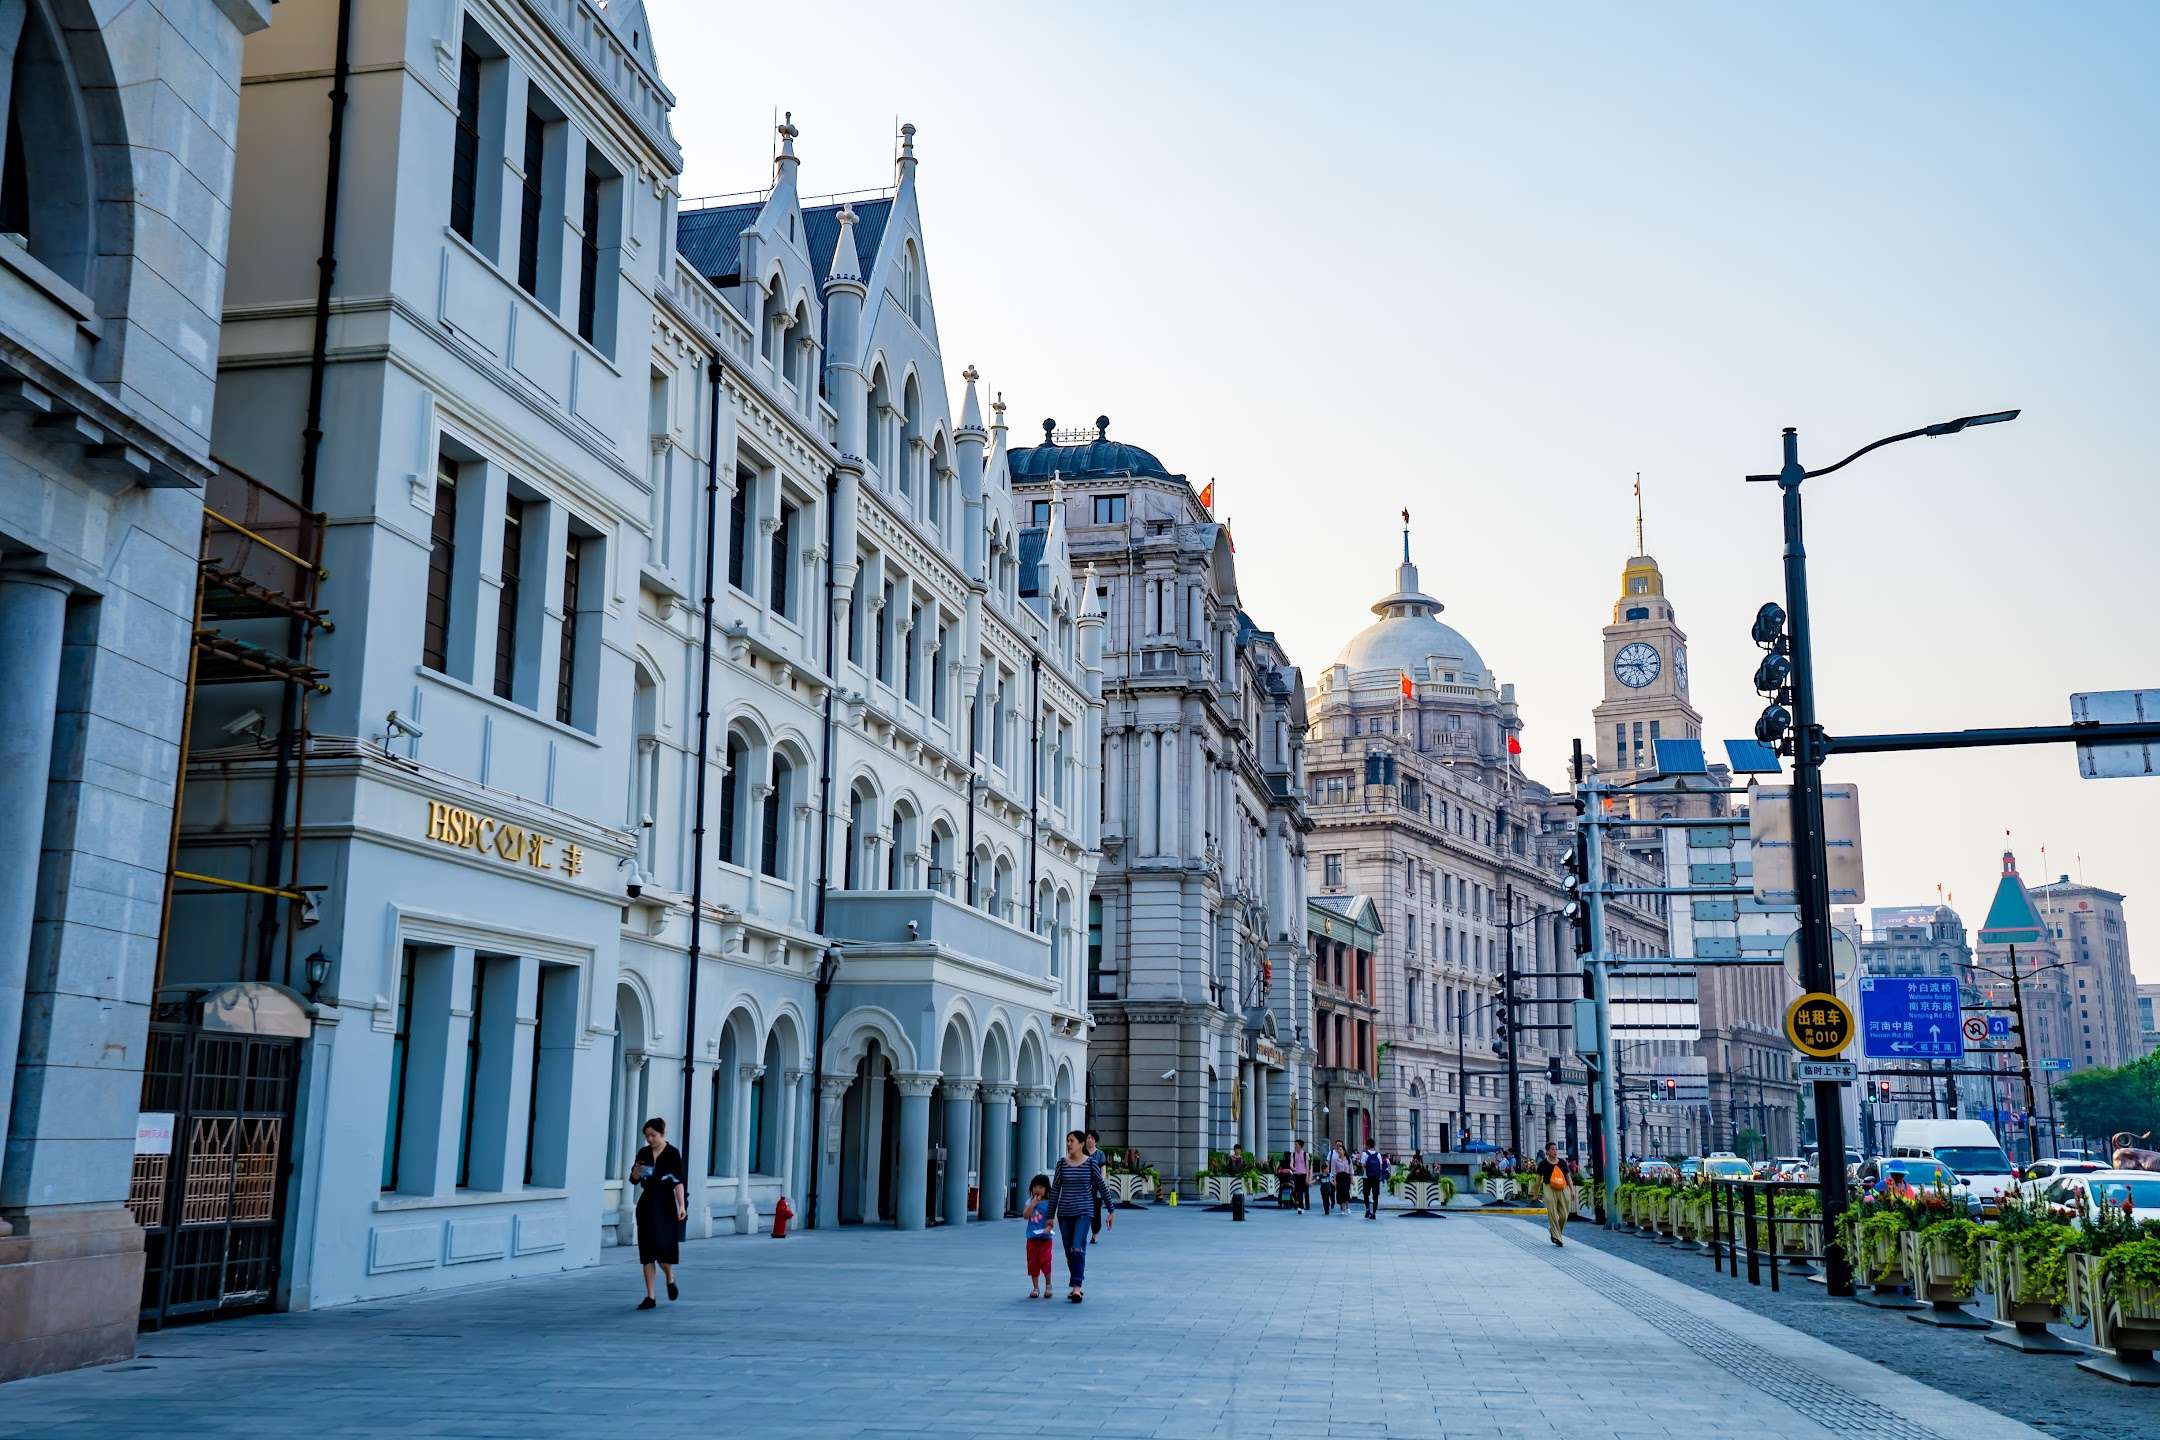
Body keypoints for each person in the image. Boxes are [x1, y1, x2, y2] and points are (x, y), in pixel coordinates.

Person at [629, 1117, 687, 1310]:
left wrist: (682, 1205)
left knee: (662, 1250)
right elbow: (634, 1180)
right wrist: (636, 1171)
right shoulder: (643, 1152)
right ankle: (650, 1296)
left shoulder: (672, 1153)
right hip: (646, 1204)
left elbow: (678, 1182)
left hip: (665, 1204)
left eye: (653, 1135)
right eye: (646, 1136)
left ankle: (670, 1277)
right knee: (647, 1252)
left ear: (662, 1133)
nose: (649, 1139)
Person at [1051, 1130, 1113, 1302]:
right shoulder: (1061, 1164)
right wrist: (1050, 1216)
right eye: (1067, 1141)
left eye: (1071, 1141)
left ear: (1081, 1144)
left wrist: (1111, 1210)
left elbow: (1101, 1186)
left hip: (1084, 1211)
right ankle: (1076, 1283)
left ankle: (1076, 1287)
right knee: (1069, 1249)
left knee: (1077, 1246)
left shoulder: (1090, 1164)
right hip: (1065, 1213)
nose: (1068, 1144)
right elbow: (1055, 1190)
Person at [1023, 1174, 1055, 1299]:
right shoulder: (1030, 1201)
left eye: (1041, 1187)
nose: (1037, 1190)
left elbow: (1052, 1219)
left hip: (1045, 1238)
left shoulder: (1050, 1202)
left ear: (1046, 1189)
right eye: (1035, 1187)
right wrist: (1033, 1204)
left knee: (1045, 1260)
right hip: (1032, 1237)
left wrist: (1048, 1228)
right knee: (1033, 1262)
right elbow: (1025, 1215)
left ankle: (1048, 1285)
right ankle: (1035, 1287)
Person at [1540, 1141, 1573, 1247]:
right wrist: (1535, 1193)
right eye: (1552, 1149)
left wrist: (1572, 1190)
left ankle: (1553, 1231)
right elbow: (1537, 1180)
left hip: (1562, 1188)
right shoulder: (1543, 1164)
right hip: (1549, 1187)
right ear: (1547, 1151)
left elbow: (1568, 1177)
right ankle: (1557, 1237)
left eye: (1556, 1149)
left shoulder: (1562, 1162)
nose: (1555, 1151)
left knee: (1564, 1215)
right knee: (1553, 1213)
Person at [1083, 1129, 1106, 1241]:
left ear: (1095, 1141)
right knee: (1082, 1209)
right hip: (1083, 1185)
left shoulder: (1100, 1154)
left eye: (1092, 1138)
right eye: (1088, 1137)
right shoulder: (1081, 1152)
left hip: (1096, 1185)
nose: (1089, 1140)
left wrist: (1101, 1182)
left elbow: (1103, 1169)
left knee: (1096, 1210)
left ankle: (1094, 1234)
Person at [1361, 1144, 1386, 1219]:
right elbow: (1381, 1167)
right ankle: (1374, 1213)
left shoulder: (1364, 1154)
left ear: (1367, 1145)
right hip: (1376, 1177)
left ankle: (1368, 1209)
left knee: (1366, 1194)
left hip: (1366, 1177)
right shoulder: (1378, 1154)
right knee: (1375, 1195)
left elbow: (1363, 1165)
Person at [1288, 1139, 1312, 1214]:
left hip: (1303, 1175)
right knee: (1297, 1191)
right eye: (1295, 1145)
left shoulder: (1306, 1155)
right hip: (1296, 1175)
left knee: (1301, 1191)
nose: (1295, 1146)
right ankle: (1300, 1206)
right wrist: (1292, 1167)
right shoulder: (1293, 1154)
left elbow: (1307, 1167)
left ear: (1300, 1146)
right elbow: (1291, 1163)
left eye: (1296, 1145)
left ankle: (1300, 1207)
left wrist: (1307, 1178)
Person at [1332, 1143, 1354, 1214]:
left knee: (1346, 1192)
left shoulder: (1348, 1159)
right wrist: (1334, 1180)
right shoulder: (1336, 1160)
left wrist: (1352, 1179)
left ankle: (1347, 1207)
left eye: (1340, 1150)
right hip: (1339, 1177)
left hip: (1346, 1177)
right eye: (1338, 1150)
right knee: (1340, 1193)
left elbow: (1351, 1170)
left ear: (1344, 1151)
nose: (1339, 1151)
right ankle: (1342, 1209)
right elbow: (1334, 1171)